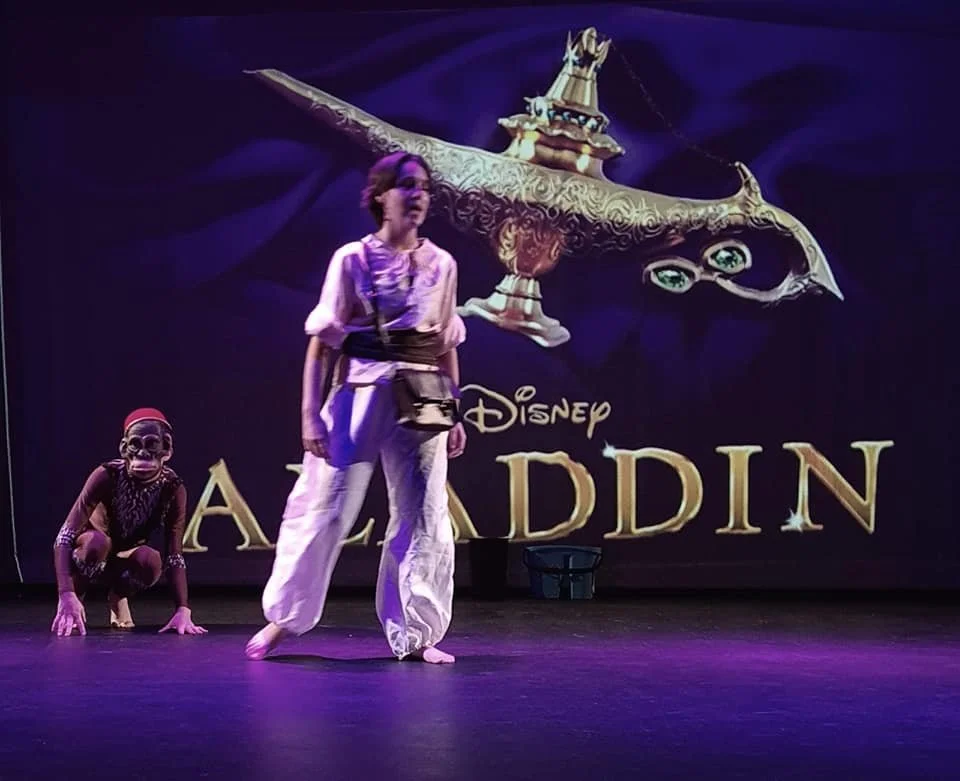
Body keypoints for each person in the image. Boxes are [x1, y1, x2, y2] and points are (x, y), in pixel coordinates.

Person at [245, 150, 467, 664]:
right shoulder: (352, 259)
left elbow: (446, 344)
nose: (418, 195)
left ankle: (417, 633)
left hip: (423, 398)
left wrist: (455, 411)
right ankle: (285, 618)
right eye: (407, 185)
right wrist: (310, 413)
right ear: (380, 196)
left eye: (424, 187)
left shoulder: (443, 264)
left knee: (423, 514)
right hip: (358, 395)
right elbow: (322, 343)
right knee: (325, 507)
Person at [50, 408, 207, 637]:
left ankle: (118, 595)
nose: (143, 453)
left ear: (166, 448)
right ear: (124, 448)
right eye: (135, 445)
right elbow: (64, 536)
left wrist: (182, 608)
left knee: (151, 561)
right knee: (98, 543)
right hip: (90, 551)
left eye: (151, 444)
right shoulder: (106, 475)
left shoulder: (172, 488)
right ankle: (76, 601)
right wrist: (66, 593)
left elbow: (174, 555)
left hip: (122, 557)